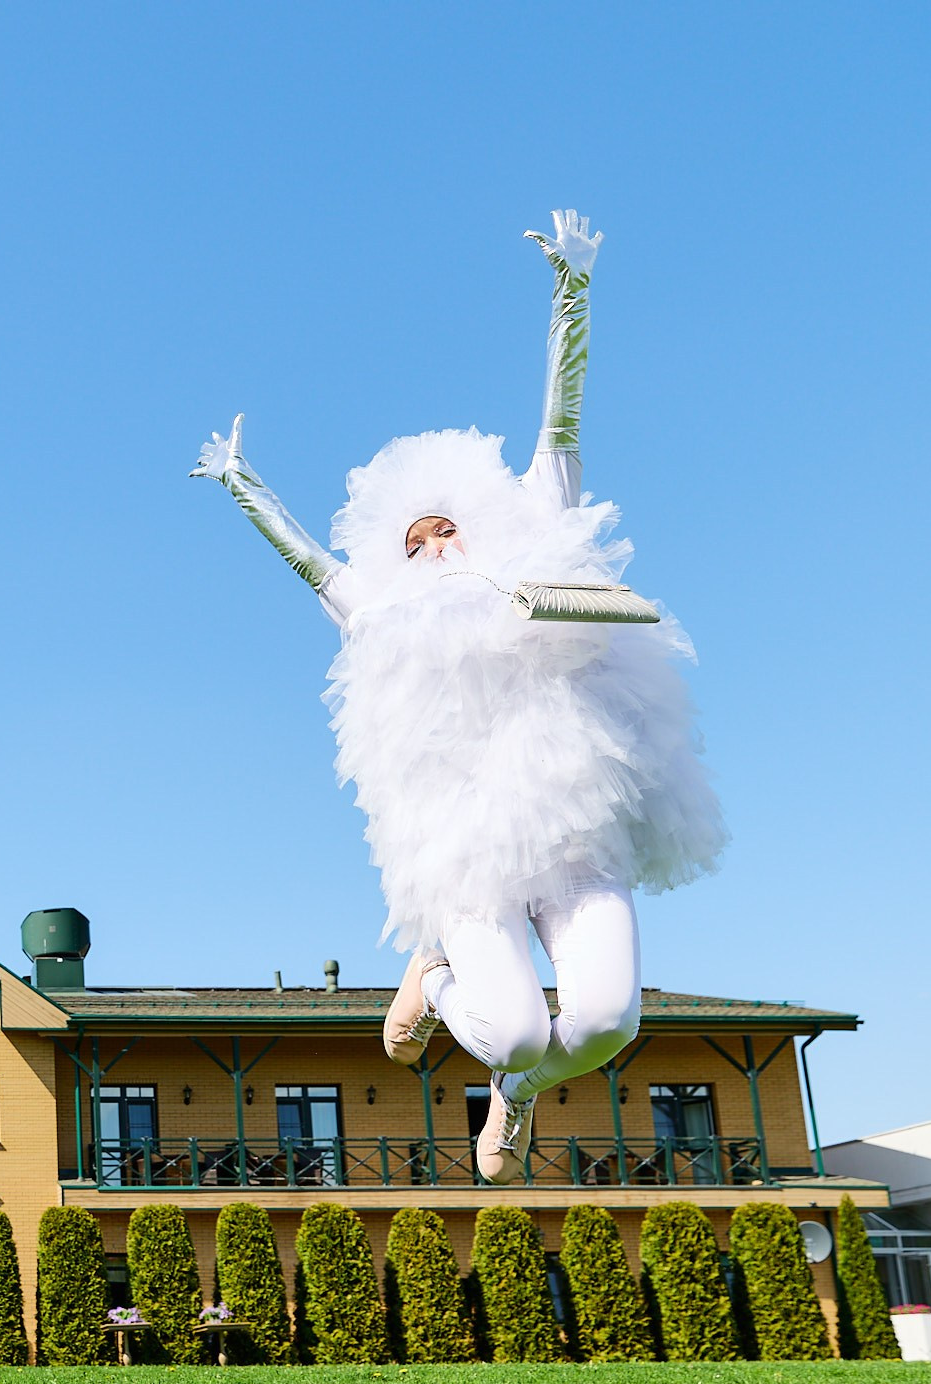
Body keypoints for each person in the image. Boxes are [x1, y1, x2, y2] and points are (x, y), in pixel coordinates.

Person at [191, 211, 724, 1184]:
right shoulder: (381, 616)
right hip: (464, 855)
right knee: (515, 1029)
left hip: (572, 826)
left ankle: (515, 1095)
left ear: (479, 526)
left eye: (446, 530)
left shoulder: (538, 550)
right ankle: (437, 980)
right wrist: (239, 481)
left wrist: (574, 288)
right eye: (412, 540)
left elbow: (559, 420)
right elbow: (308, 559)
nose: (433, 546)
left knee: (605, 1021)